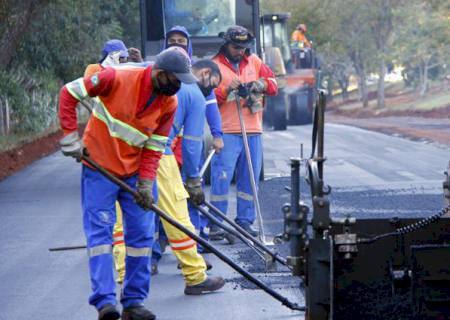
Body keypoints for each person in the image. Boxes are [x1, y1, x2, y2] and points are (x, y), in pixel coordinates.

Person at [58, 46, 197, 320]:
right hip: (99, 168)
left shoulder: (169, 103)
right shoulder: (116, 77)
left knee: (142, 238)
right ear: (160, 72)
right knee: (101, 236)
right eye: (175, 79)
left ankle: (133, 302)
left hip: (134, 174)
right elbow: (68, 93)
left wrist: (146, 184)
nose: (178, 86)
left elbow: (155, 148)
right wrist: (69, 136)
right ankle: (105, 303)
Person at [210, 25, 278, 238]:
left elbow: (274, 85)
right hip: (227, 132)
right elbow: (208, 97)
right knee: (221, 178)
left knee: (249, 179)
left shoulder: (255, 62)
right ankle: (216, 224)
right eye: (236, 47)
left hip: (253, 131)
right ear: (226, 44)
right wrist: (227, 89)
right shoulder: (214, 66)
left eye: (243, 47)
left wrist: (259, 84)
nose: (240, 51)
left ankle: (245, 221)